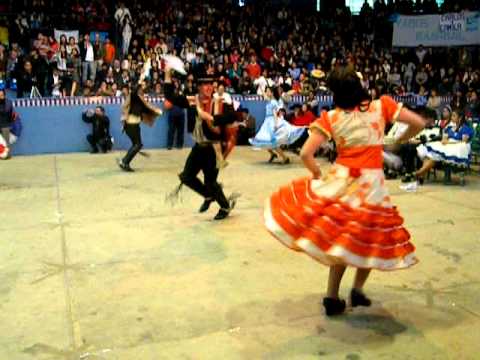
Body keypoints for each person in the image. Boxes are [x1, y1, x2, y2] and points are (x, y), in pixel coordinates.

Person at [264, 66, 425, 316]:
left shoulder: (331, 118)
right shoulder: (382, 106)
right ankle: (357, 290)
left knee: (341, 241)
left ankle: (332, 296)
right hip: (372, 188)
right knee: (370, 239)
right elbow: (418, 123)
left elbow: (306, 154)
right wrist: (399, 140)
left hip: (342, 184)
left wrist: (318, 175)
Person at [164, 66, 237, 220]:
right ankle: (208, 196)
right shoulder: (193, 100)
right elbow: (170, 97)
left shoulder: (219, 102)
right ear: (199, 87)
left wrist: (210, 117)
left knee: (210, 181)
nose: (209, 87)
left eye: (211, 85)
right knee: (186, 176)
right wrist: (167, 74)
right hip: (199, 147)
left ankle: (224, 206)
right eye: (205, 84)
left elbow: (232, 116)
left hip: (213, 148)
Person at [249, 87, 306, 164]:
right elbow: (265, 96)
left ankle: (285, 158)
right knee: (264, 140)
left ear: (272, 93)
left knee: (272, 142)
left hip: (272, 121)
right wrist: (262, 89)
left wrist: (275, 124)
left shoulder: (273, 102)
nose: (266, 93)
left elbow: (275, 114)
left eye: (268, 91)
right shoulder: (269, 101)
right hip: (267, 122)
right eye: (266, 91)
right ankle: (273, 154)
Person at [416, 108, 474, 182]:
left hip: (457, 146)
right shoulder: (449, 128)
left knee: (434, 156)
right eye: (452, 115)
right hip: (446, 145)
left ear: (460, 118)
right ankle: (421, 174)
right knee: (430, 154)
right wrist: (444, 141)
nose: (451, 117)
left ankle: (419, 173)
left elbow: (463, 142)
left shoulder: (466, 128)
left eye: (454, 116)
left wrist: (448, 142)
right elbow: (444, 138)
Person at [118, 84, 162, 172]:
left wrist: (156, 111)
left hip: (134, 125)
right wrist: (140, 80)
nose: (142, 90)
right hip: (131, 124)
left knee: (137, 144)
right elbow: (134, 93)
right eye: (141, 89)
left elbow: (146, 109)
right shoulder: (134, 97)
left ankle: (124, 162)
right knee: (137, 144)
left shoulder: (140, 100)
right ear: (137, 89)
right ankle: (124, 161)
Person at [0, 89, 14, 159]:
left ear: (4, 95)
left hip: (5, 125)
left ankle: (7, 155)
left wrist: (9, 123)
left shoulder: (9, 102)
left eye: (2, 94)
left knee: (6, 142)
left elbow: (10, 113)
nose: (0, 96)